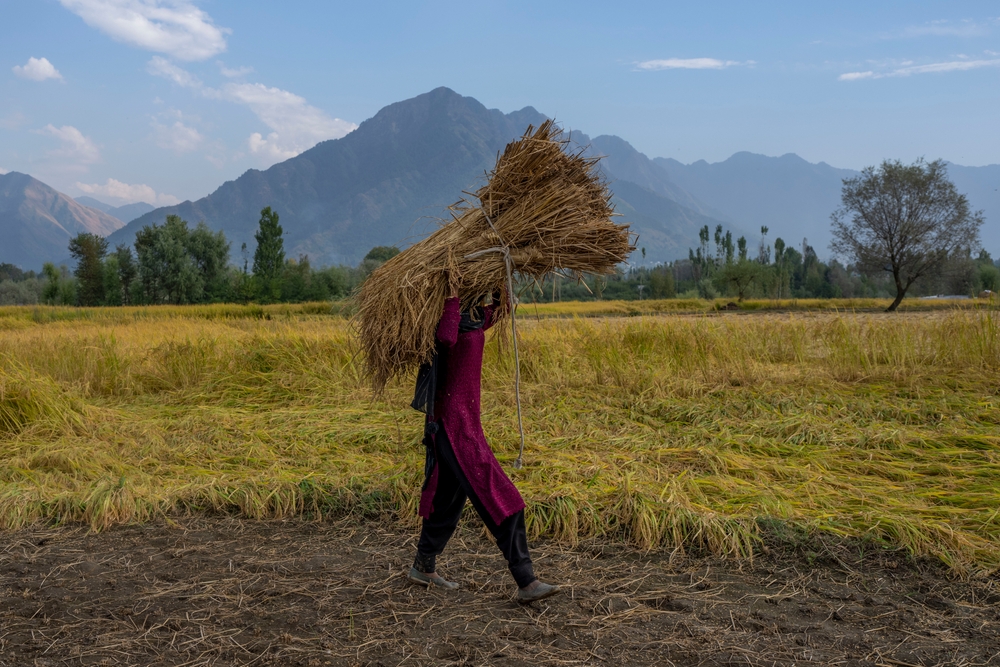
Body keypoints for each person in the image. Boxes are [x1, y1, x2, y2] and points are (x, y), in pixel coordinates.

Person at [408, 280, 559, 602]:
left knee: (448, 499)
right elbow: (446, 339)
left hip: (464, 422)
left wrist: (500, 285)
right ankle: (526, 580)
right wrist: (451, 294)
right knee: (501, 495)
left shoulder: (472, 316)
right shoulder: (444, 317)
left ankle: (423, 566)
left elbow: (498, 313)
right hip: (452, 424)